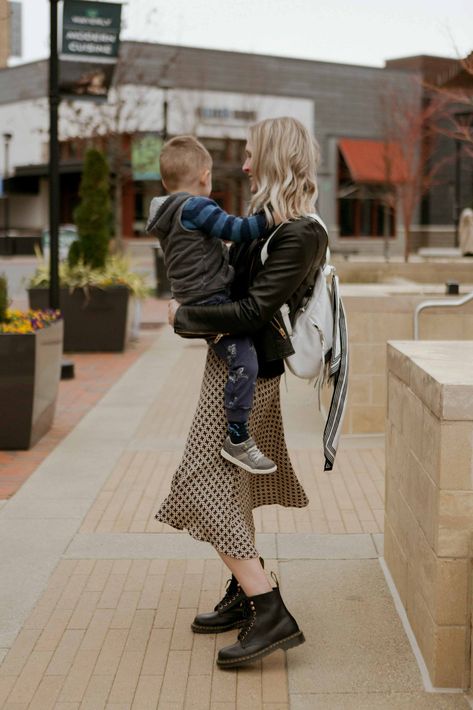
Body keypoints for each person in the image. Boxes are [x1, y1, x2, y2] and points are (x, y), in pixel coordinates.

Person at [156, 117, 328, 668]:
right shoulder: (276, 226)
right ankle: (246, 591)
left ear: (276, 157)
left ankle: (267, 606)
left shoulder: (301, 232)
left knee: (206, 483)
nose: (246, 165)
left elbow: (253, 311)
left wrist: (184, 316)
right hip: (233, 369)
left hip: (252, 379)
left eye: (253, 155)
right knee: (226, 487)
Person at [146, 135, 276, 475]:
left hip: (192, 295)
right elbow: (236, 229)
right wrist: (272, 217)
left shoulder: (168, 213)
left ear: (165, 181)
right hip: (210, 298)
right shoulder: (196, 208)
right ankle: (236, 436)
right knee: (245, 360)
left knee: (237, 351)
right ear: (205, 176)